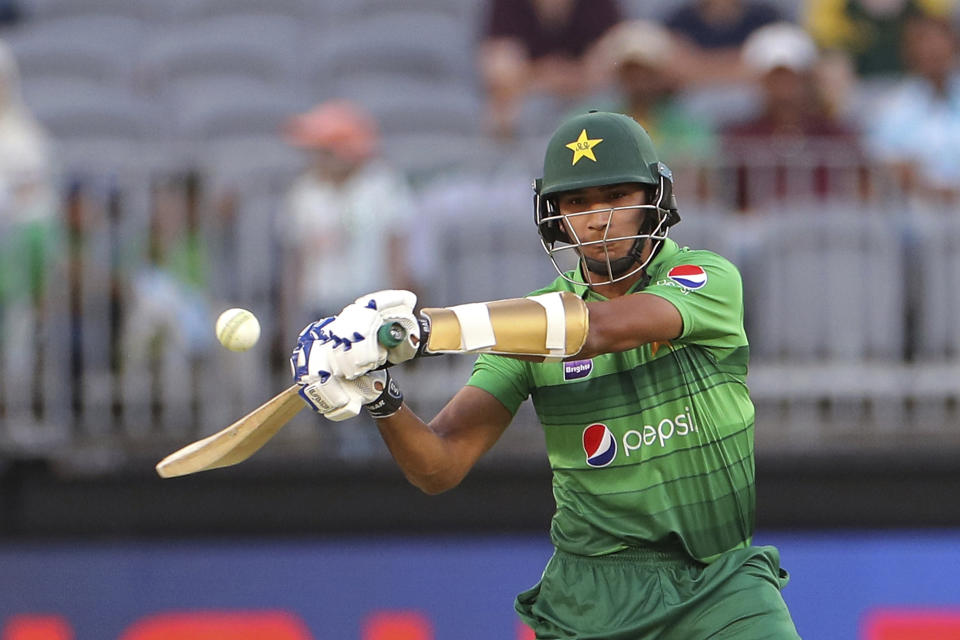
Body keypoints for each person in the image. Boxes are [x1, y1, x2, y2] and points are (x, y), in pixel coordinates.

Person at [289, 110, 801, 639]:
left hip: (720, 585)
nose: (598, 219)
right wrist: (380, 396)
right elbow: (438, 467)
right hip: (590, 598)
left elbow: (599, 327)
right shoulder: (526, 330)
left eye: (617, 197)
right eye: (578, 203)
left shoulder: (707, 277)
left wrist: (418, 331)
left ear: (656, 200)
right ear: (554, 215)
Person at [722, 22, 862, 209]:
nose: (784, 86)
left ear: (806, 78)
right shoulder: (738, 138)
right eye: (775, 76)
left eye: (791, 76)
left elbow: (861, 194)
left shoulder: (838, 134)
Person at [478, 0, 621, 139]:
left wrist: (540, 76)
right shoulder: (507, 6)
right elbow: (498, 69)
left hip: (590, 105)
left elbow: (615, 55)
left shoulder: (600, 6)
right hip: (524, 111)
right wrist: (559, 76)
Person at [864, 14, 960, 203]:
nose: (933, 50)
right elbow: (886, 163)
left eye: (940, 41)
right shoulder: (892, 107)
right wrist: (938, 194)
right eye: (924, 42)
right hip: (918, 213)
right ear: (910, 52)